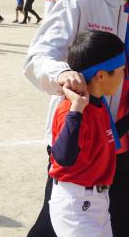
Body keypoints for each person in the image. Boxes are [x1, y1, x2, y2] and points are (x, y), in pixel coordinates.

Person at [23, 0, 129, 237]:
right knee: (55, 223)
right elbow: (37, 57)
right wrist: (60, 73)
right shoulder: (79, 2)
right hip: (83, 137)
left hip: (122, 136)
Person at [49, 30, 127, 237]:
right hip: (76, 206)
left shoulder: (98, 104)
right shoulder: (73, 110)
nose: (123, 76)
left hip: (97, 202)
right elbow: (64, 157)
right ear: (101, 75)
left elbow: (105, 138)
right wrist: (76, 110)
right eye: (121, 70)